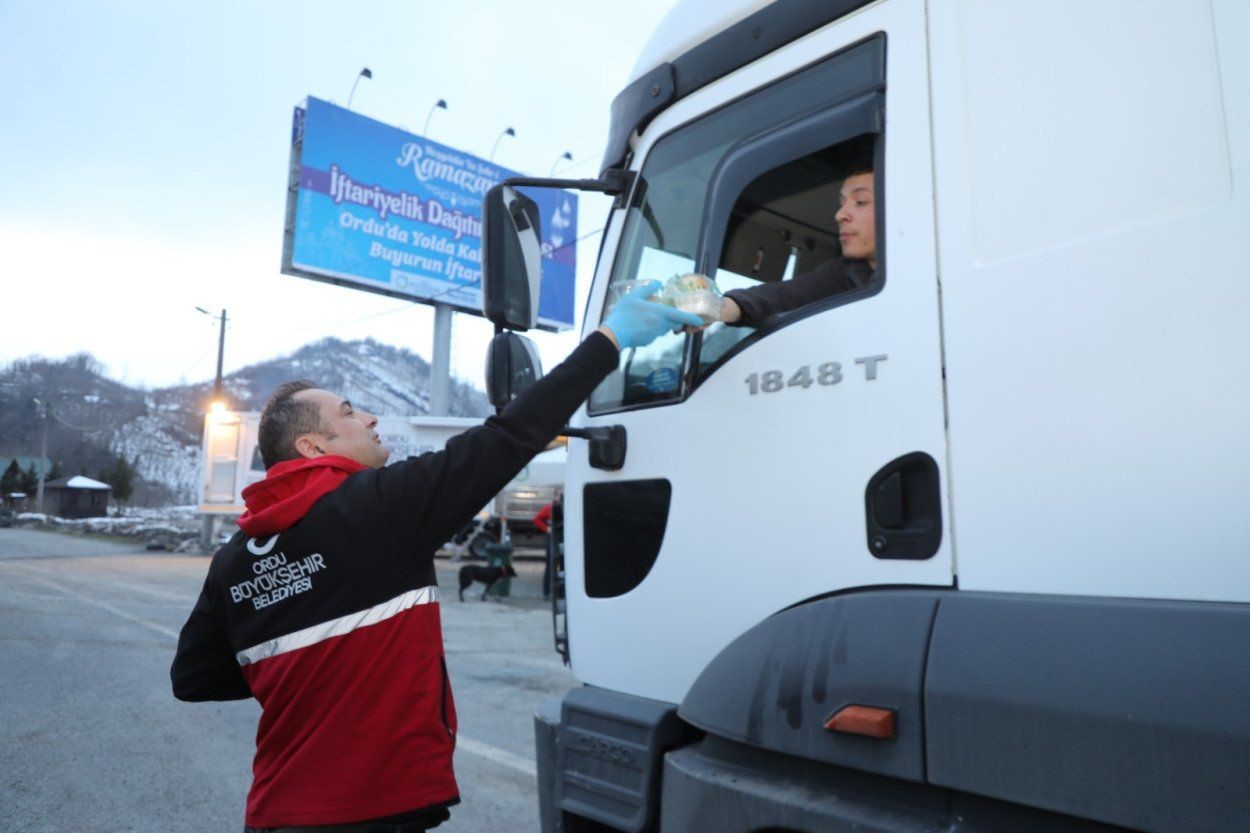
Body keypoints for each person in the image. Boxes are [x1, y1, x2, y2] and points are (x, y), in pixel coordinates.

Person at [170, 283, 700, 833]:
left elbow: (195, 677)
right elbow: (509, 436)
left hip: (276, 812)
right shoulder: (378, 508)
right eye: (351, 413)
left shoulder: (236, 559)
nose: (372, 418)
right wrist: (610, 339)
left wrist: (297, 673)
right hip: (369, 812)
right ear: (312, 448)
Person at [718, 160, 877, 327]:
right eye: (841, 204)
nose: (840, 215)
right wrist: (716, 308)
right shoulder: (844, 273)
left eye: (860, 201)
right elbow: (782, 296)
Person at [532, 490, 563, 600]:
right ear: (555, 496)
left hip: (563, 539)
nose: (562, 497)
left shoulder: (567, 507)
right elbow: (536, 519)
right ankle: (546, 592)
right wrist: (547, 529)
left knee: (563, 566)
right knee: (551, 566)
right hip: (553, 538)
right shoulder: (550, 508)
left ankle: (560, 592)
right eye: (560, 495)